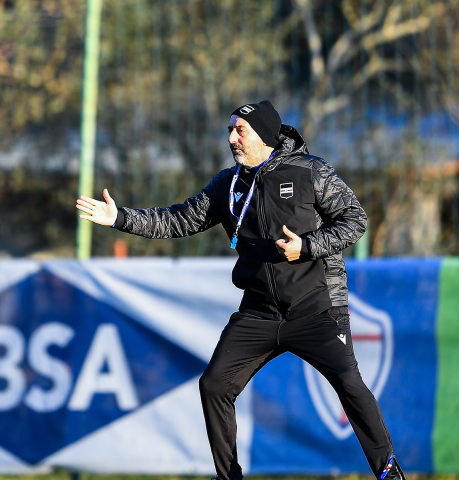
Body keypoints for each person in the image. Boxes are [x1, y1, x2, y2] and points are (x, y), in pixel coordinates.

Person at [76, 101, 405, 480]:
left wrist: (308, 247)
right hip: (259, 313)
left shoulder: (310, 171)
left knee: (350, 383)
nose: (232, 138)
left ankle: (388, 472)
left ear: (264, 135)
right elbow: (178, 220)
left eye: (240, 130)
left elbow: (355, 219)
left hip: (316, 308)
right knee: (214, 385)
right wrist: (119, 218)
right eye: (230, 130)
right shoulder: (227, 184)